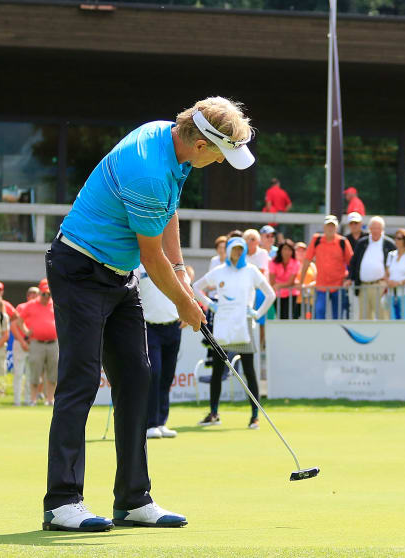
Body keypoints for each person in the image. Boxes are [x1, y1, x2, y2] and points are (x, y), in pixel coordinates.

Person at [42, 97, 244, 532]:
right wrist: (185, 303)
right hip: (78, 267)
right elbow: (150, 256)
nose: (222, 164)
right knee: (80, 379)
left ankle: (133, 499)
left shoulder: (171, 142)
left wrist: (181, 271)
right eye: (223, 155)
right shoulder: (149, 171)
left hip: (117, 273)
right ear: (204, 145)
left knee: (136, 377)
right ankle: (62, 502)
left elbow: (168, 216)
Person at [193, 236, 275, 428]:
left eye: (240, 250)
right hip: (223, 326)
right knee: (217, 371)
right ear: (229, 251)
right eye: (234, 250)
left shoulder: (251, 271)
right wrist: (211, 305)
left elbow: (271, 293)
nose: (237, 253)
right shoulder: (220, 271)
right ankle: (213, 414)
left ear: (244, 251)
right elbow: (196, 287)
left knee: (249, 371)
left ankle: (255, 415)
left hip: (244, 326)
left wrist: (256, 313)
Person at [134, 263, 188, 440]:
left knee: (167, 375)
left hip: (173, 326)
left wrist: (187, 309)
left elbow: (186, 288)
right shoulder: (139, 267)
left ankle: (161, 422)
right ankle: (150, 423)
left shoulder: (174, 264)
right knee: (154, 372)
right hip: (150, 327)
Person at [13, 279, 59, 406]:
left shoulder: (55, 304)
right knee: (35, 373)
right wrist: (26, 332)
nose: (46, 296)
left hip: (53, 343)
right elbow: (19, 322)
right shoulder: (31, 305)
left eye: (49, 294)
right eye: (44, 294)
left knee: (53, 373)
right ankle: (33, 399)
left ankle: (50, 399)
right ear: (40, 293)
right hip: (37, 343)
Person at [300, 215, 353, 320]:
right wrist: (301, 281)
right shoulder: (316, 240)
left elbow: (351, 263)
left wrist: (349, 279)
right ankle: (319, 336)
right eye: (328, 226)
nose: (330, 228)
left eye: (332, 226)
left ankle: (337, 336)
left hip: (339, 285)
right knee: (319, 314)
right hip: (321, 285)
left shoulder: (343, 242)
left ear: (336, 228)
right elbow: (307, 260)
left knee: (337, 316)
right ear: (324, 227)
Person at [348, 216, 394, 320]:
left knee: (383, 316)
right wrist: (350, 278)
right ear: (369, 229)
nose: (375, 231)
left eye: (378, 228)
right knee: (364, 318)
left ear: (382, 229)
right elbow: (354, 262)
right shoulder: (362, 243)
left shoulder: (389, 244)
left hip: (380, 286)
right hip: (363, 286)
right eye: (373, 228)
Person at [12, 286, 40, 405]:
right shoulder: (21, 307)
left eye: (36, 294)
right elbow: (14, 326)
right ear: (27, 296)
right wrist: (22, 341)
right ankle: (17, 401)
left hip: (35, 344)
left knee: (31, 374)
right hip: (20, 343)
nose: (33, 297)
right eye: (31, 294)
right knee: (18, 373)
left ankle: (29, 400)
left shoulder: (42, 308)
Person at [269, 239, 302, 319]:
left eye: (289, 249)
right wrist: (285, 285)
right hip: (277, 295)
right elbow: (272, 281)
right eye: (285, 249)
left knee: (290, 317)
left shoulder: (295, 263)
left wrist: (279, 285)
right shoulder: (273, 262)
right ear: (280, 250)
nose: (287, 252)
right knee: (280, 317)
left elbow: (290, 282)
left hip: (291, 294)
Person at [295, 241, 316, 317]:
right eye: (298, 250)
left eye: (303, 250)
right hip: (295, 299)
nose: (301, 252)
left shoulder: (311, 265)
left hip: (308, 300)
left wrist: (307, 286)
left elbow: (317, 280)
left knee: (308, 323)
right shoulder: (292, 265)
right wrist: (297, 284)